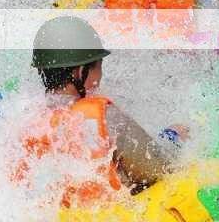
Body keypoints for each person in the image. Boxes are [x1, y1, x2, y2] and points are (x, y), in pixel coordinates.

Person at [10, 16, 187, 209]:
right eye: (98, 68)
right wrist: (171, 138)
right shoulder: (102, 116)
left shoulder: (22, 119)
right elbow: (159, 170)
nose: (99, 78)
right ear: (79, 72)